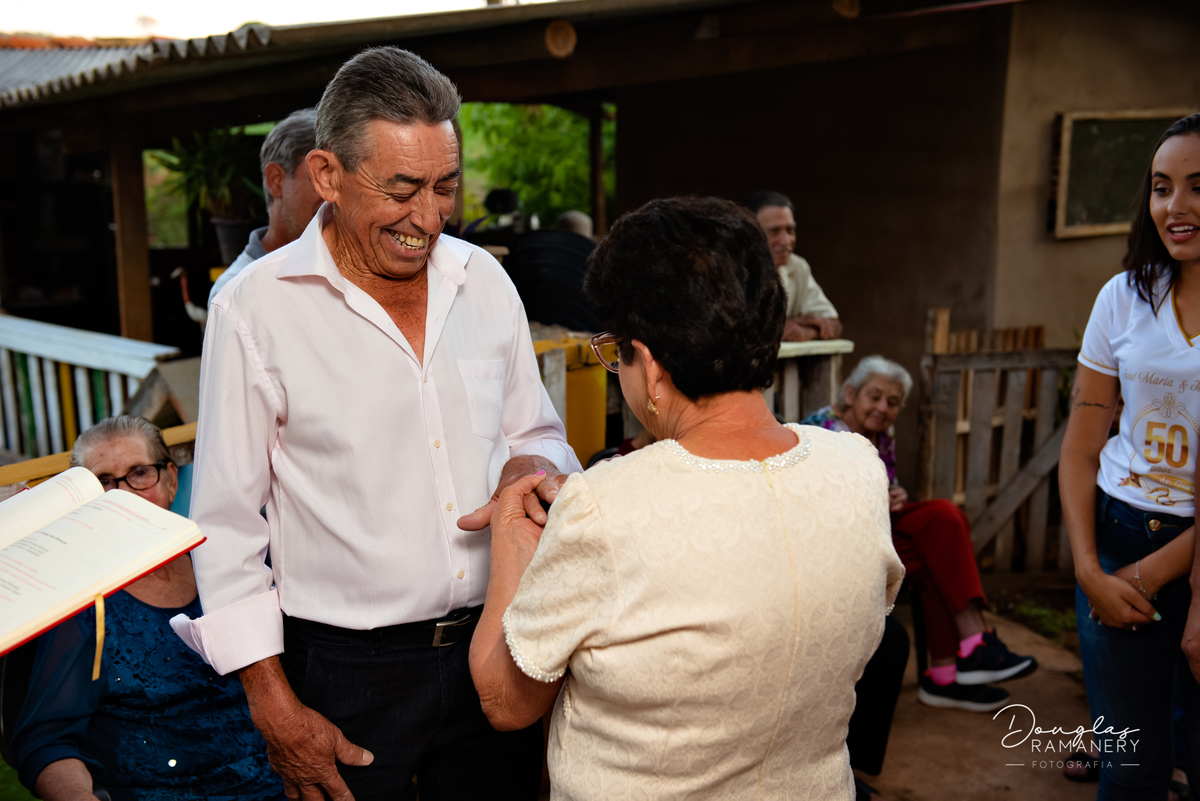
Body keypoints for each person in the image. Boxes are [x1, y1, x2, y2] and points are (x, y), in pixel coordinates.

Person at [172, 46, 580, 801]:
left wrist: (534, 465)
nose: (429, 217)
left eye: (445, 186)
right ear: (326, 175)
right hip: (346, 672)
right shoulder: (254, 307)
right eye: (402, 189)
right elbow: (225, 525)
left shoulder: (485, 281)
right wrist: (273, 703)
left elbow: (537, 434)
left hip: (500, 641)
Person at [467, 196, 905, 799]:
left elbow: (506, 701)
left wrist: (513, 534)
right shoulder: (857, 468)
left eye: (614, 352)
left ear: (648, 364)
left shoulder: (600, 506)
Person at [12, 416, 281, 801]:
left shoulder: (224, 567)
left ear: (171, 479)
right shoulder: (82, 605)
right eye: (103, 482)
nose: (122, 494)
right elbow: (47, 742)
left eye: (139, 473)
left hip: (278, 782)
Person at [1061, 112, 1200, 800]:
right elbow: (1081, 448)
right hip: (1117, 536)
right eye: (1162, 187)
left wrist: (1155, 575)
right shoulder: (1123, 297)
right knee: (1130, 769)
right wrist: (1090, 571)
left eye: (1199, 186)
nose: (1176, 206)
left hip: (1179, 552)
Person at [802, 356, 1037, 712]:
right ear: (850, 394)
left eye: (892, 402)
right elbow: (814, 500)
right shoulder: (822, 430)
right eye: (874, 397)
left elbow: (885, 485)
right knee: (941, 523)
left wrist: (895, 495)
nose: (883, 408)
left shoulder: (883, 433)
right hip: (838, 541)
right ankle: (965, 654)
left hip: (876, 529)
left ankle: (949, 672)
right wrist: (875, 497)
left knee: (942, 532)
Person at [207, 108, 324, 306]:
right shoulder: (235, 292)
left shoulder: (343, 274)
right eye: (320, 177)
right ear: (275, 180)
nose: (334, 196)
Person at [744, 190, 841, 342]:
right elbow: (734, 333)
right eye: (774, 231)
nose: (786, 241)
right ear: (751, 234)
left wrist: (805, 332)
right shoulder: (733, 269)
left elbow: (834, 325)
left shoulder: (797, 266)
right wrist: (791, 324)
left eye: (790, 230)